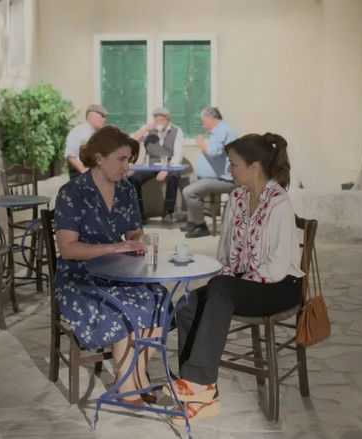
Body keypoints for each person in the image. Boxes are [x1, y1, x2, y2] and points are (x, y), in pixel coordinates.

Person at [165, 133, 304, 423]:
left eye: (233, 164)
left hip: (280, 286)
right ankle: (201, 394)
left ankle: (198, 385)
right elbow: (225, 253)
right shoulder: (237, 199)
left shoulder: (279, 202)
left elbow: (278, 266)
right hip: (239, 285)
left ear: (254, 167)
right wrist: (228, 279)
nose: (229, 169)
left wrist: (232, 282)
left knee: (221, 288)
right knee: (188, 304)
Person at [54, 125, 166, 405]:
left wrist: (139, 242)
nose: (127, 167)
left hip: (117, 272)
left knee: (159, 297)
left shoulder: (126, 190)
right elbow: (68, 249)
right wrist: (114, 248)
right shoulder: (72, 192)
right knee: (129, 306)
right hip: (78, 277)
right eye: (121, 159)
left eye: (129, 160)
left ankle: (131, 377)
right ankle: (131, 385)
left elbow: (134, 233)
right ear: (99, 157)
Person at [180, 107, 238, 238]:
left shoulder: (222, 130)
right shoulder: (221, 130)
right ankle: (193, 222)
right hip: (216, 177)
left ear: (211, 118)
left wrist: (201, 143)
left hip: (225, 180)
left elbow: (213, 153)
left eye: (204, 121)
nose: (203, 125)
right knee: (191, 179)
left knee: (189, 192)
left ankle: (201, 226)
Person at [128, 107, 184, 224]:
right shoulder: (148, 128)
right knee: (133, 178)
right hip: (150, 165)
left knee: (173, 177)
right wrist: (145, 130)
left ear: (168, 119)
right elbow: (130, 141)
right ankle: (139, 214)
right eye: (156, 119)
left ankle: (168, 212)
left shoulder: (177, 131)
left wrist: (166, 169)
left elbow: (178, 155)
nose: (159, 122)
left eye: (161, 120)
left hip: (169, 165)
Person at [64, 104, 108, 180]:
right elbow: (70, 155)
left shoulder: (99, 133)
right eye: (102, 116)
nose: (104, 120)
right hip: (82, 176)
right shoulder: (79, 131)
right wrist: (84, 171)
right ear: (92, 116)